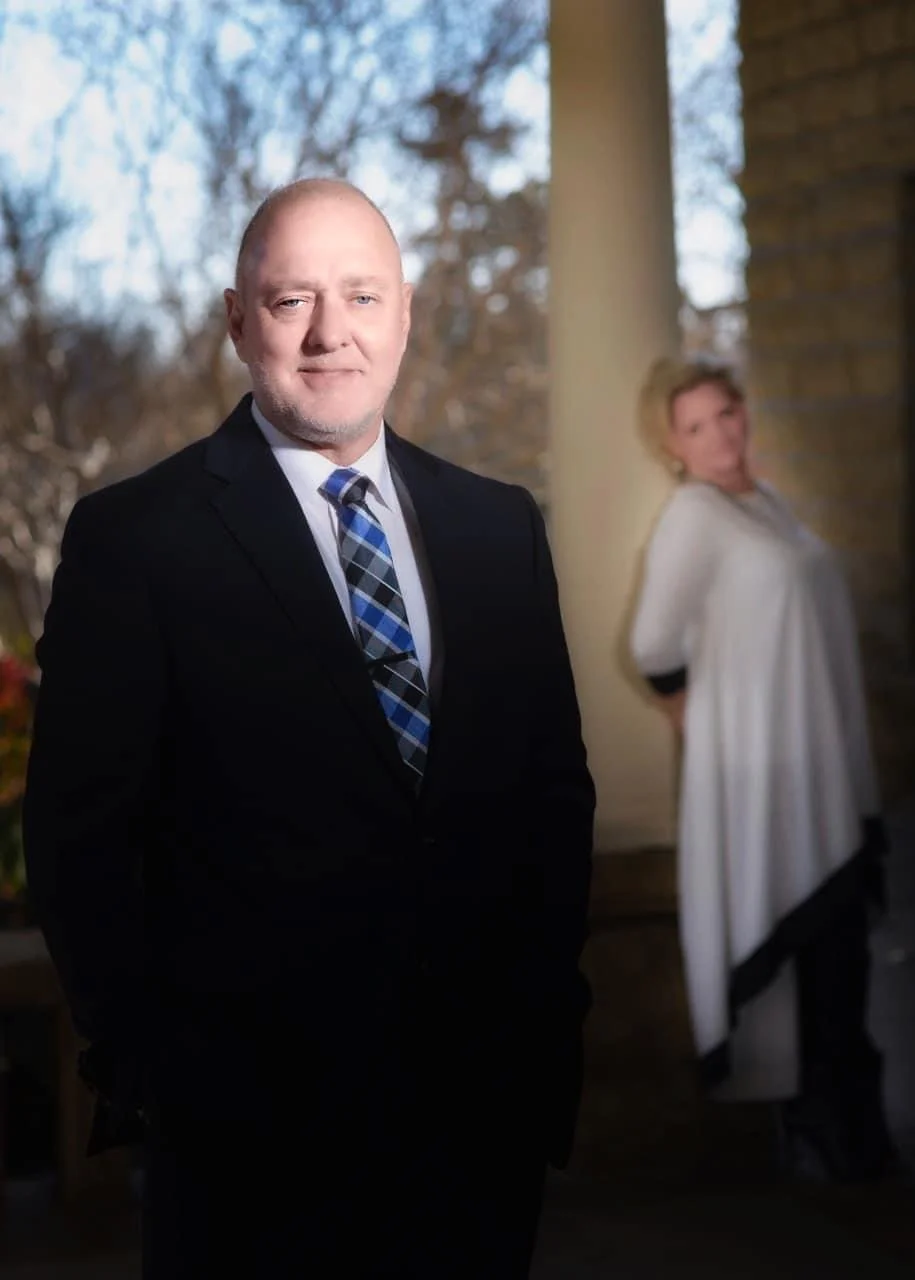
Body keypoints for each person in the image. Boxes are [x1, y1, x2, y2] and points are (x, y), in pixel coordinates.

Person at [23, 178, 595, 1277]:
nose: (332, 332)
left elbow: (551, 798)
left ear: (406, 313)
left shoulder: (498, 526)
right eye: (291, 302)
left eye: (361, 296)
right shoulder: (137, 541)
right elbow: (78, 839)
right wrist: (160, 1067)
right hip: (250, 1150)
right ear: (238, 321)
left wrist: (542, 1021)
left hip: (479, 1129)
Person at [630, 356, 896, 1182]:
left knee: (839, 960)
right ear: (672, 446)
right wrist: (689, 713)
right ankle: (828, 1136)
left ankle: (846, 1129)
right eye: (696, 426)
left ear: (745, 413)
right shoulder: (693, 514)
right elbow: (651, 643)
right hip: (765, 776)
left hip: (820, 767)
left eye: (727, 414)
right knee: (820, 953)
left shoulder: (769, 504)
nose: (719, 436)